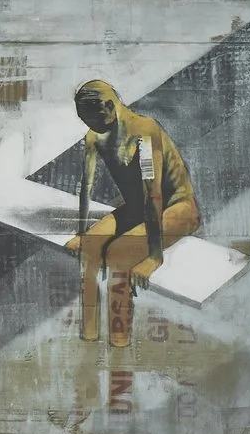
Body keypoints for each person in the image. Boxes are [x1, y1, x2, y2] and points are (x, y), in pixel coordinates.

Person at [63, 79, 199, 347]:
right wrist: (82, 232)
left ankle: (119, 340)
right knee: (90, 246)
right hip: (139, 209)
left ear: (110, 107)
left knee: (118, 254)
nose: (90, 128)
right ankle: (89, 334)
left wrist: (154, 257)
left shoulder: (144, 133)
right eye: (85, 121)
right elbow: (86, 186)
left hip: (177, 208)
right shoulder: (94, 136)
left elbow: (154, 194)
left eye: (94, 120)